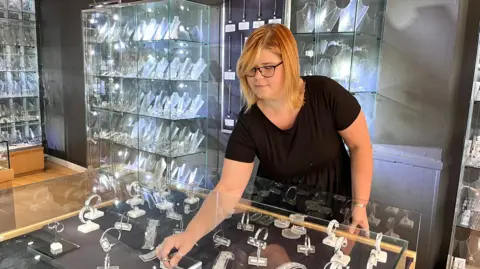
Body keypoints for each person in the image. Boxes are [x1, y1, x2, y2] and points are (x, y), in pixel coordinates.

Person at [157, 23, 373, 268]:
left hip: (336, 205)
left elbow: (360, 147)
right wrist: (190, 234)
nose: (258, 77)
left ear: (288, 64)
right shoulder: (250, 121)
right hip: (279, 214)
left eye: (268, 67)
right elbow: (228, 187)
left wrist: (360, 204)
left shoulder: (326, 93)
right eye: (251, 69)